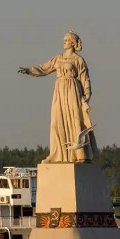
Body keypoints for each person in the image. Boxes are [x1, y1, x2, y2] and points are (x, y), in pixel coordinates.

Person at [18, 30, 99, 163]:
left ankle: (79, 154)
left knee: (75, 121)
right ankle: (57, 153)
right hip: (59, 91)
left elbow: (85, 79)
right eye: (64, 40)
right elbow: (44, 68)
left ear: (73, 43)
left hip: (73, 90)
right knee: (57, 121)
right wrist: (28, 70)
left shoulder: (78, 60)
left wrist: (86, 98)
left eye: (66, 40)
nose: (64, 42)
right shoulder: (57, 58)